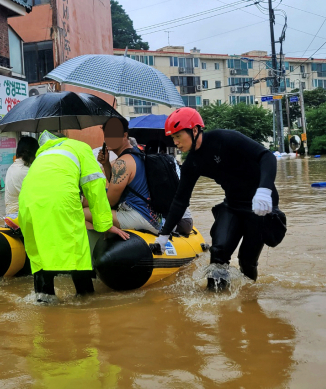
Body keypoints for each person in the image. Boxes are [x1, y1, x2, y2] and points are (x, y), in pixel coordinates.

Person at [154, 107, 283, 291]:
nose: (176, 143)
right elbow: (180, 199)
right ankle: (218, 302)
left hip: (260, 204)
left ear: (195, 129)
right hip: (232, 205)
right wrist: (164, 235)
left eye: (178, 136)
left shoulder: (225, 139)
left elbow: (266, 156)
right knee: (218, 253)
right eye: (172, 138)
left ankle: (250, 302)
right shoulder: (192, 163)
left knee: (247, 261)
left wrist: (264, 190)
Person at [18, 131, 129, 301]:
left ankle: (44, 303)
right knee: (77, 254)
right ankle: (85, 302)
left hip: (27, 205)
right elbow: (95, 187)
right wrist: (105, 224)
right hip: (61, 202)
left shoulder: (42, 154)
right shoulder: (80, 148)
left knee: (41, 257)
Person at [4, 136, 39, 215]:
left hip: (10, 215)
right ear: (32, 154)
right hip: (20, 217)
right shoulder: (26, 172)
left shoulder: (11, 168)